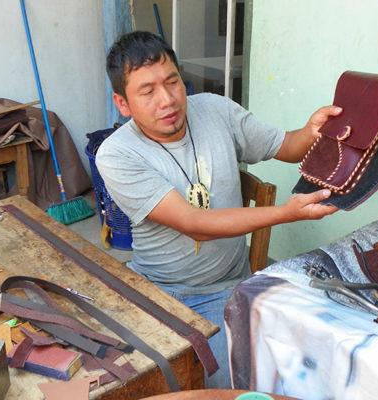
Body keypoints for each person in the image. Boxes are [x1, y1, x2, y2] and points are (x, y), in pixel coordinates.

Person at [96, 31, 340, 388]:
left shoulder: (216, 109)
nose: (167, 100)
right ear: (123, 103)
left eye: (173, 82)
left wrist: (313, 130)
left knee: (278, 371)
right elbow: (195, 224)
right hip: (162, 290)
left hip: (229, 285)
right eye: (147, 91)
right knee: (163, 383)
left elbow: (287, 146)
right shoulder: (117, 155)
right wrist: (289, 213)